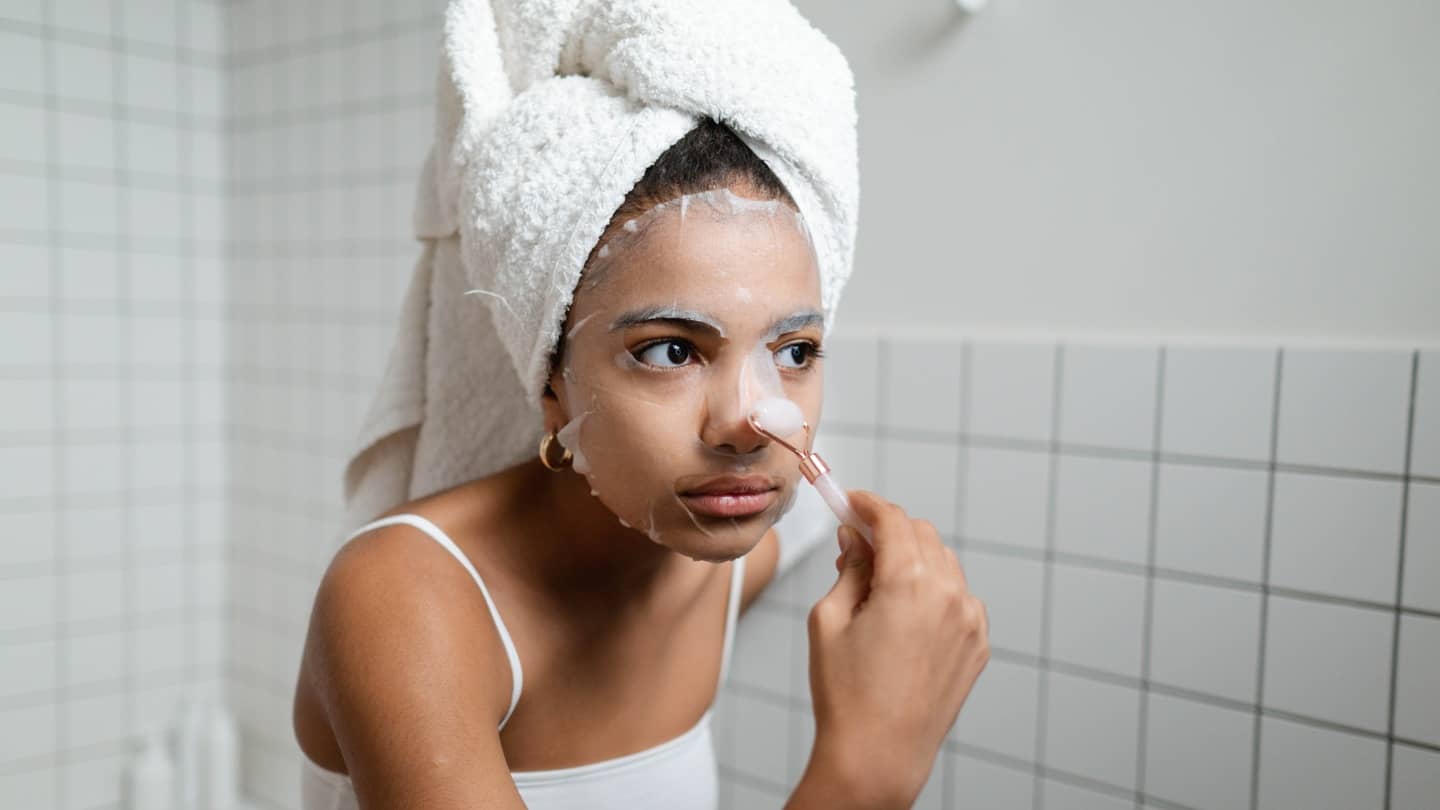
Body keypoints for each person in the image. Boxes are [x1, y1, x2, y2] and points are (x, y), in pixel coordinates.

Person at [292, 117, 989, 810]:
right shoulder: (403, 596)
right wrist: (868, 770)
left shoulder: (733, 557)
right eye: (672, 351)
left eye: (794, 352)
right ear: (551, 385)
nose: (749, 426)